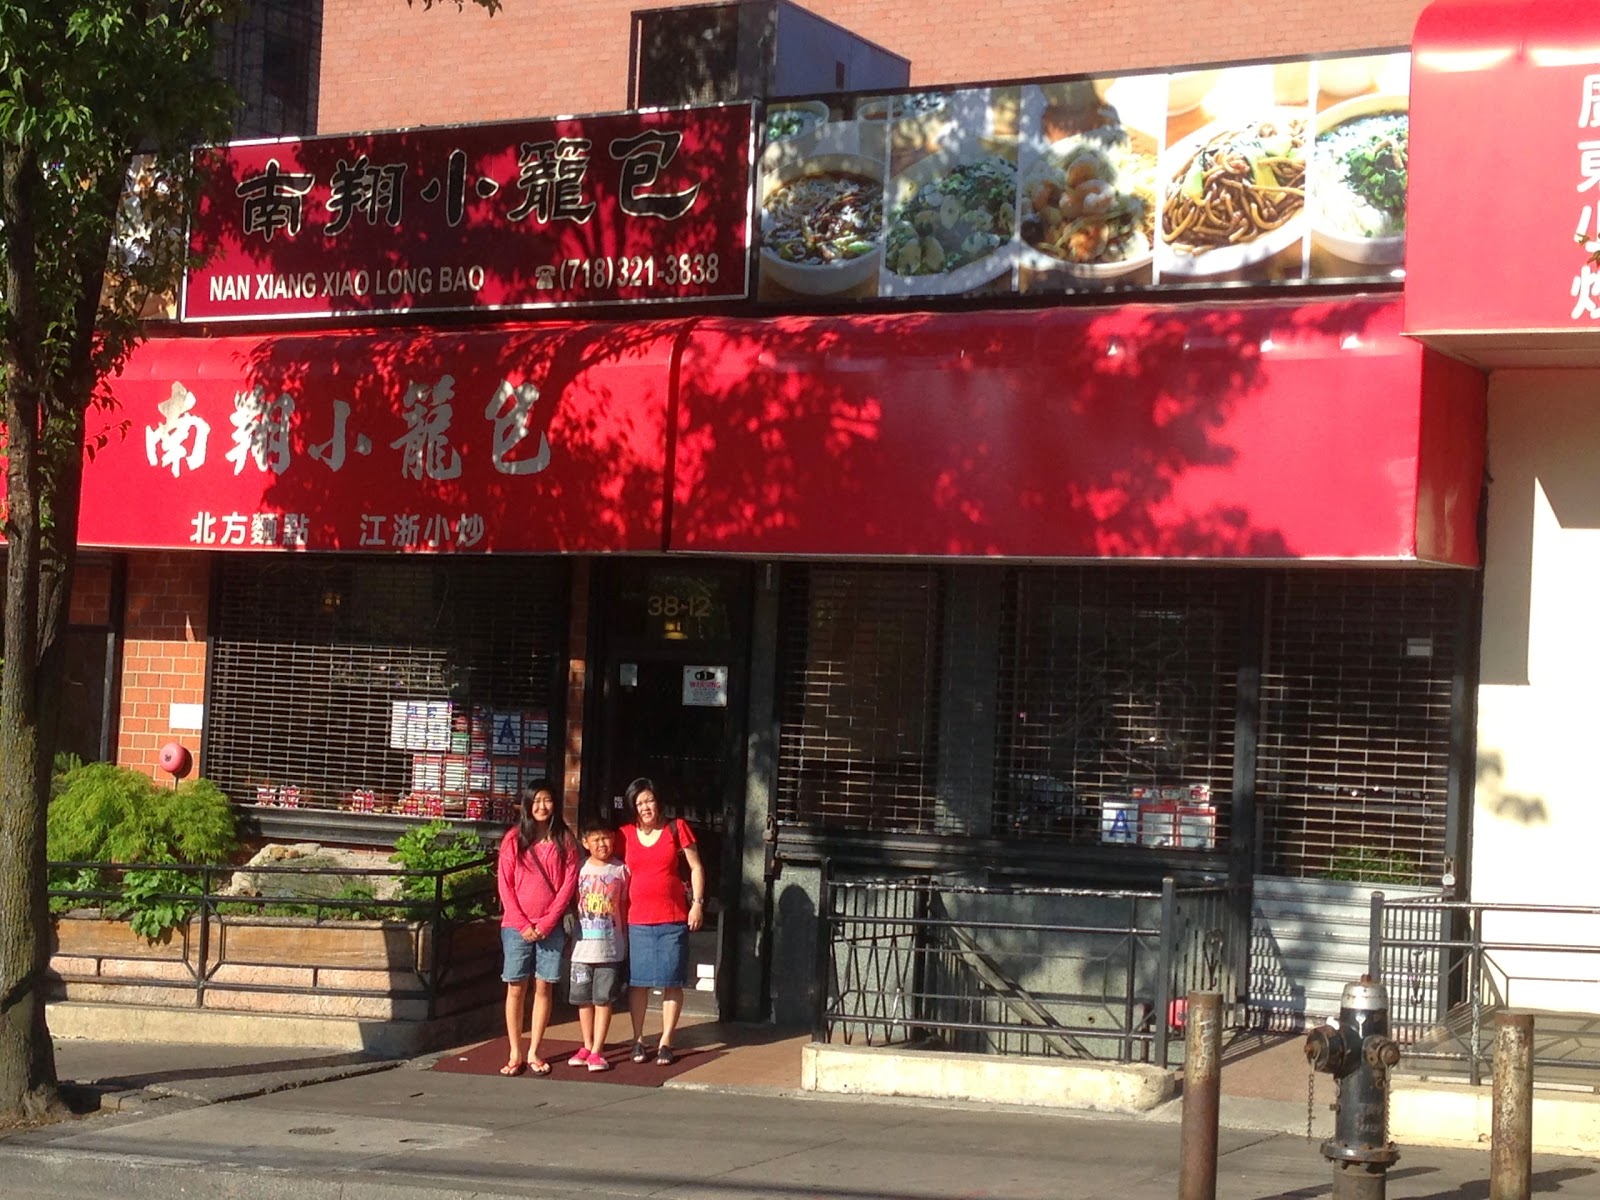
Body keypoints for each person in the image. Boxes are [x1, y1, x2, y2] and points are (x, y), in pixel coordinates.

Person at [495, 779, 579, 1077]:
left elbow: (568, 885)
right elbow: (504, 884)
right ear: (527, 805)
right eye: (536, 801)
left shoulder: (565, 840)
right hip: (516, 926)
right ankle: (515, 1051)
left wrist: (545, 923)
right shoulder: (514, 839)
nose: (542, 806)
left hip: (550, 927)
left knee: (544, 986)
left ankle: (534, 1050)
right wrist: (522, 923)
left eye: (547, 800)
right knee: (516, 986)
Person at [620, 776, 705, 1065]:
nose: (645, 807)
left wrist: (697, 905)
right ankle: (638, 1039)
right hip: (638, 919)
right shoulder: (625, 834)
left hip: (672, 917)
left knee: (672, 980)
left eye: (649, 800)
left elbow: (695, 867)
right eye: (639, 802)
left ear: (658, 801)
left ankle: (666, 1039)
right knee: (638, 982)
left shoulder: (676, 828)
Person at [565, 818, 630, 1072]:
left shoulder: (621, 870)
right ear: (585, 842)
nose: (603, 844)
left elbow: (625, 906)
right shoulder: (579, 869)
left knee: (603, 999)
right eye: (596, 839)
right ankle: (587, 1043)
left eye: (607, 838)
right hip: (582, 949)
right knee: (583, 1000)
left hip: (610, 947)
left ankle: (598, 1050)